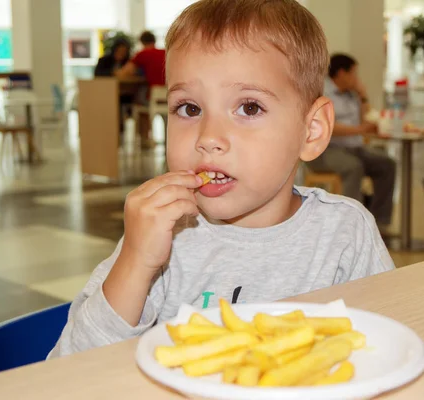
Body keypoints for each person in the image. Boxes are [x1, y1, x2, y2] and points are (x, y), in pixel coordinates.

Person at [49, 0, 394, 357]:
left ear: (311, 131)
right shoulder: (163, 235)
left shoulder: (345, 235)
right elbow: (64, 370)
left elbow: (391, 349)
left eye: (249, 107)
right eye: (190, 108)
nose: (208, 137)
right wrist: (135, 262)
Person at [306, 54, 396, 231]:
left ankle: (379, 222)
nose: (356, 78)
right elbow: (327, 126)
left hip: (354, 147)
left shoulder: (351, 94)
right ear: (341, 73)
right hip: (326, 150)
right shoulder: (321, 92)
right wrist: (361, 130)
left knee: (387, 164)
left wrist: (362, 96)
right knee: (354, 167)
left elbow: (365, 118)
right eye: (354, 74)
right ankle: (351, 226)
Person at [116, 31, 166, 148]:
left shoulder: (143, 54)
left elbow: (124, 72)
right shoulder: (165, 52)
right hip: (168, 98)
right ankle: (150, 139)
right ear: (154, 41)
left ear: (142, 42)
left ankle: (144, 138)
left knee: (139, 103)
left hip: (152, 98)